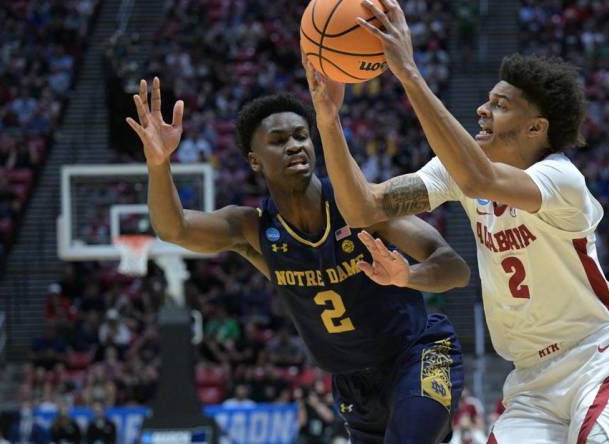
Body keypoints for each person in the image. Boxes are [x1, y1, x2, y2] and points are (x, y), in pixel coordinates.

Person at [303, 0, 609, 442]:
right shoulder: (456, 171)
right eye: (486, 101)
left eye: (500, 105)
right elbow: (363, 208)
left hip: (594, 362)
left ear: (535, 129)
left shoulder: (561, 179)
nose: (482, 111)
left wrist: (409, 72)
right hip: (530, 383)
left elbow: (476, 177)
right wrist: (329, 121)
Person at [125, 77, 469, 443]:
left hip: (418, 353)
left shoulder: (361, 204)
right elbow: (174, 229)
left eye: (301, 136)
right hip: (351, 383)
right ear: (254, 161)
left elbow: (454, 268)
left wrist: (408, 276)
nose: (294, 146)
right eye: (278, 141)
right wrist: (158, 163)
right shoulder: (253, 230)